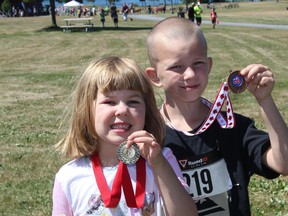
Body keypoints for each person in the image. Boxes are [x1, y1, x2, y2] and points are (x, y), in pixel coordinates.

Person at [146, 17, 288, 216]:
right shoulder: (149, 137)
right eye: (177, 67)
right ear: (154, 76)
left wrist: (265, 101)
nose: (190, 74)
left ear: (209, 65)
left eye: (198, 63)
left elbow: (284, 163)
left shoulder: (233, 127)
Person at [52, 56, 198, 216]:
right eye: (109, 102)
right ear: (86, 109)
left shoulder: (162, 160)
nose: (122, 110)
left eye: (133, 102)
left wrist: (159, 165)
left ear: (146, 110)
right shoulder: (69, 177)